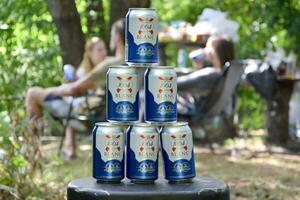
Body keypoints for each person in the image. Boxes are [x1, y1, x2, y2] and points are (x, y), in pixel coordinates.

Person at [25, 19, 125, 159]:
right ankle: (49, 150)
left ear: (117, 37)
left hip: (86, 118)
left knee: (32, 93)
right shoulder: (134, 65)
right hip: (105, 116)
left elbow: (73, 89)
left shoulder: (111, 64)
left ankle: (33, 154)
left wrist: (52, 91)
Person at [177, 35, 235, 116]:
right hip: (221, 115)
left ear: (213, 52)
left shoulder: (210, 74)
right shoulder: (229, 74)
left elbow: (175, 84)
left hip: (198, 115)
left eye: (207, 47)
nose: (204, 50)